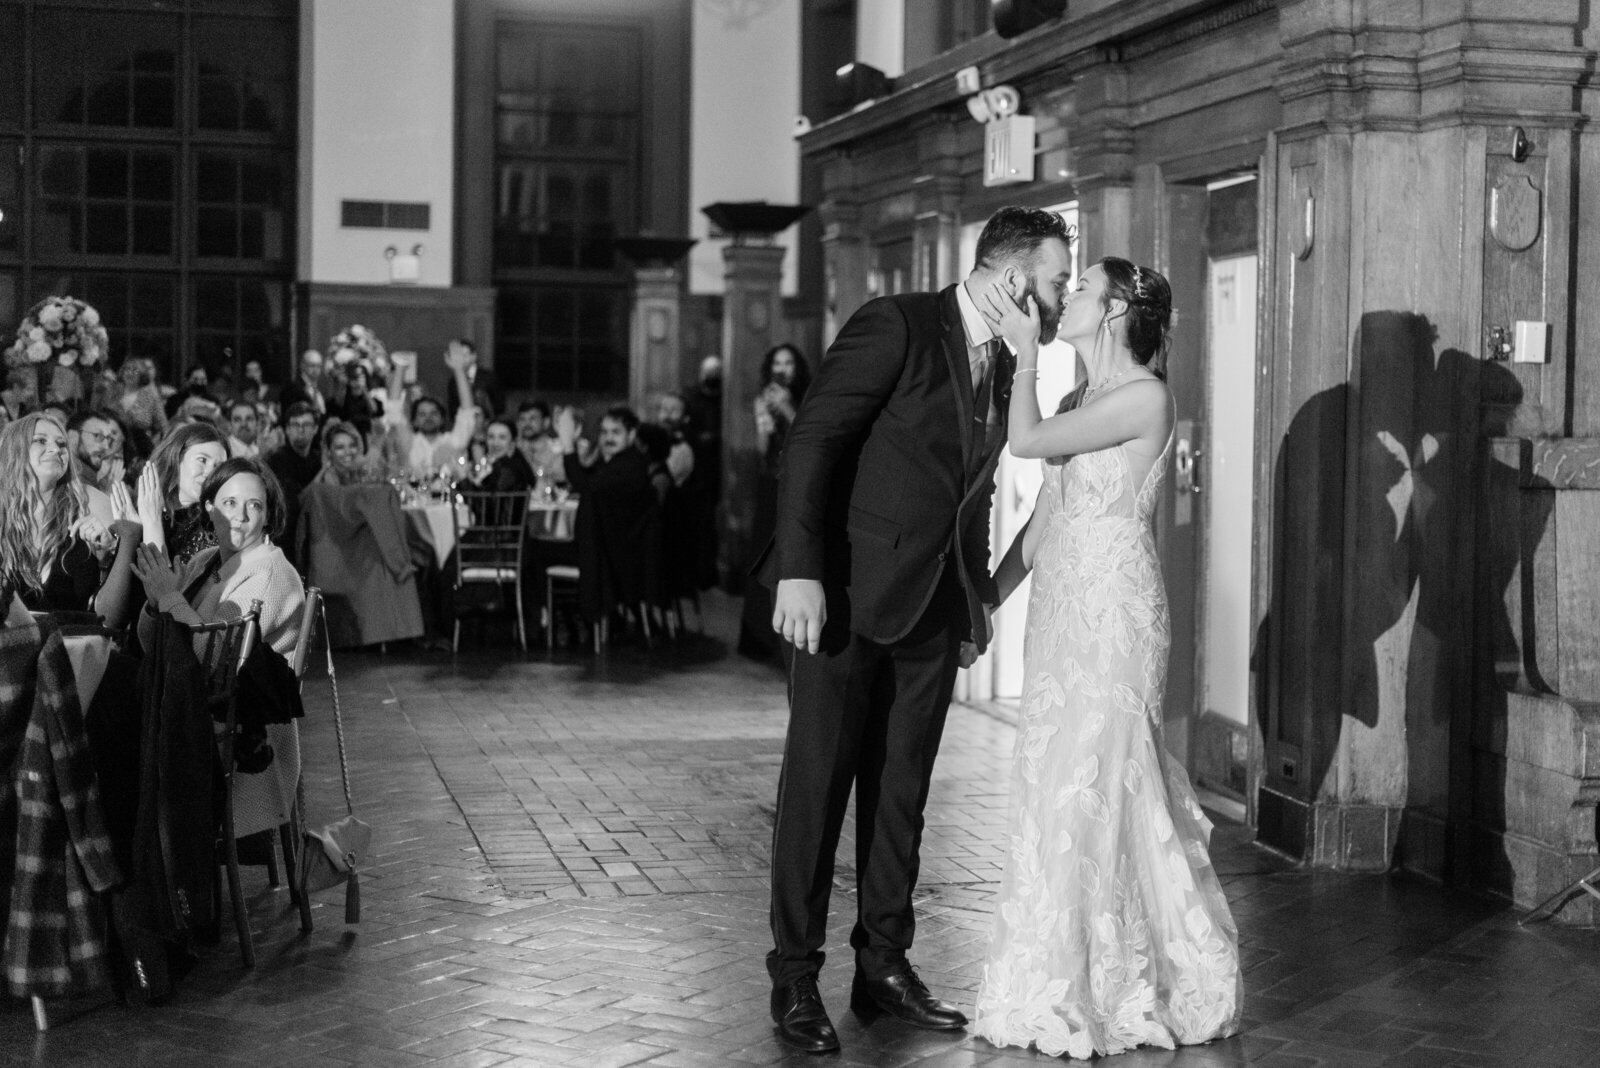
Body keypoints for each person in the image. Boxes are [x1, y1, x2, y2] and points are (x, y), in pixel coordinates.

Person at [757, 206, 1074, 1054]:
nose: (1061, 296)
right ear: (1012, 279)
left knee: (902, 796)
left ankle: (882, 967)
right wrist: (801, 569)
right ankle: (794, 976)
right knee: (818, 790)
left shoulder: (1010, 365)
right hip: (846, 602)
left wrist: (970, 609)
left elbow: (969, 492)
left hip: (934, 612)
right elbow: (814, 440)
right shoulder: (896, 324)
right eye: (1055, 282)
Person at [970, 257, 1241, 1057]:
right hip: (1059, 617)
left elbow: (1023, 444)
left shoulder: (1145, 398)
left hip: (1117, 621)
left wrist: (1022, 350)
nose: (1069, 298)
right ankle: (1052, 983)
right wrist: (985, 598)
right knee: (1052, 791)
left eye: (1082, 287)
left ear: (1117, 308)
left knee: (1105, 788)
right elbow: (1046, 516)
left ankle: (1135, 981)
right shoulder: (1074, 399)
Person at [131, 457, 307, 844]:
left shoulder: (271, 575)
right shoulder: (205, 561)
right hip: (193, 710)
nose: (240, 516)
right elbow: (150, 642)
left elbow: (207, 661)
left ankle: (148, 866)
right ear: (209, 509)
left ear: (267, 516)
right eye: (229, 503)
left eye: (254, 506)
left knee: (109, 729)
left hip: (231, 731)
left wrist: (170, 597)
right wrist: (155, 600)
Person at [0, 413, 139, 628]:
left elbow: (111, 620)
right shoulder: (3, 513)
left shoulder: (90, 503)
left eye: (61, 443)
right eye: (40, 440)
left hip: (76, 649)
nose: (56, 449)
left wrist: (110, 552)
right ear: (14, 450)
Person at [737, 344, 810, 661]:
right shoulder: (763, 398)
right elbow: (762, 446)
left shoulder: (809, 396)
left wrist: (788, 407)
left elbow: (808, 437)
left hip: (800, 479)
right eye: (777, 363)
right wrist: (764, 414)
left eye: (789, 363)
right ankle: (760, 636)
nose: (783, 369)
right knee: (763, 553)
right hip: (770, 480)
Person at [136, 421, 230, 565]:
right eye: (202, 460)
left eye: (218, 467)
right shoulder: (146, 506)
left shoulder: (211, 527)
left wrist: (152, 524)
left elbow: (163, 585)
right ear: (176, 458)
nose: (210, 472)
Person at [381, 345, 479, 477]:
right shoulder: (409, 443)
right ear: (414, 421)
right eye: (422, 414)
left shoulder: (452, 442)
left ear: (442, 419)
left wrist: (459, 370)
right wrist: (400, 370)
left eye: (434, 413)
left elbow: (467, 413)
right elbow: (394, 412)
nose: (428, 418)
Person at [467, 417, 535, 493]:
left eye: (502, 437)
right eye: (491, 437)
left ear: (513, 442)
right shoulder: (498, 464)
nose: (495, 443)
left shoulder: (509, 469)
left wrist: (464, 480)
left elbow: (488, 501)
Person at [443, 338, 503, 420]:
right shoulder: (453, 381)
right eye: (458, 356)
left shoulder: (489, 377)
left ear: (474, 356)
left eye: (465, 355)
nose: (461, 359)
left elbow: (500, 405)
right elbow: (452, 409)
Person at [515, 400, 565, 485]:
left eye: (532, 418)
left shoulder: (558, 449)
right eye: (522, 419)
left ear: (546, 422)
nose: (527, 423)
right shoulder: (513, 449)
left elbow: (560, 477)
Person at [313, 420, 376, 486]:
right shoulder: (327, 479)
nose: (348, 452)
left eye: (352, 445)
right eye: (340, 447)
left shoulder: (358, 471)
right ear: (329, 451)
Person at [278, 349, 329, 423]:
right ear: (302, 365)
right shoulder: (292, 389)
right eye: (312, 366)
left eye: (318, 366)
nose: (316, 370)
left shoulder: (318, 390)